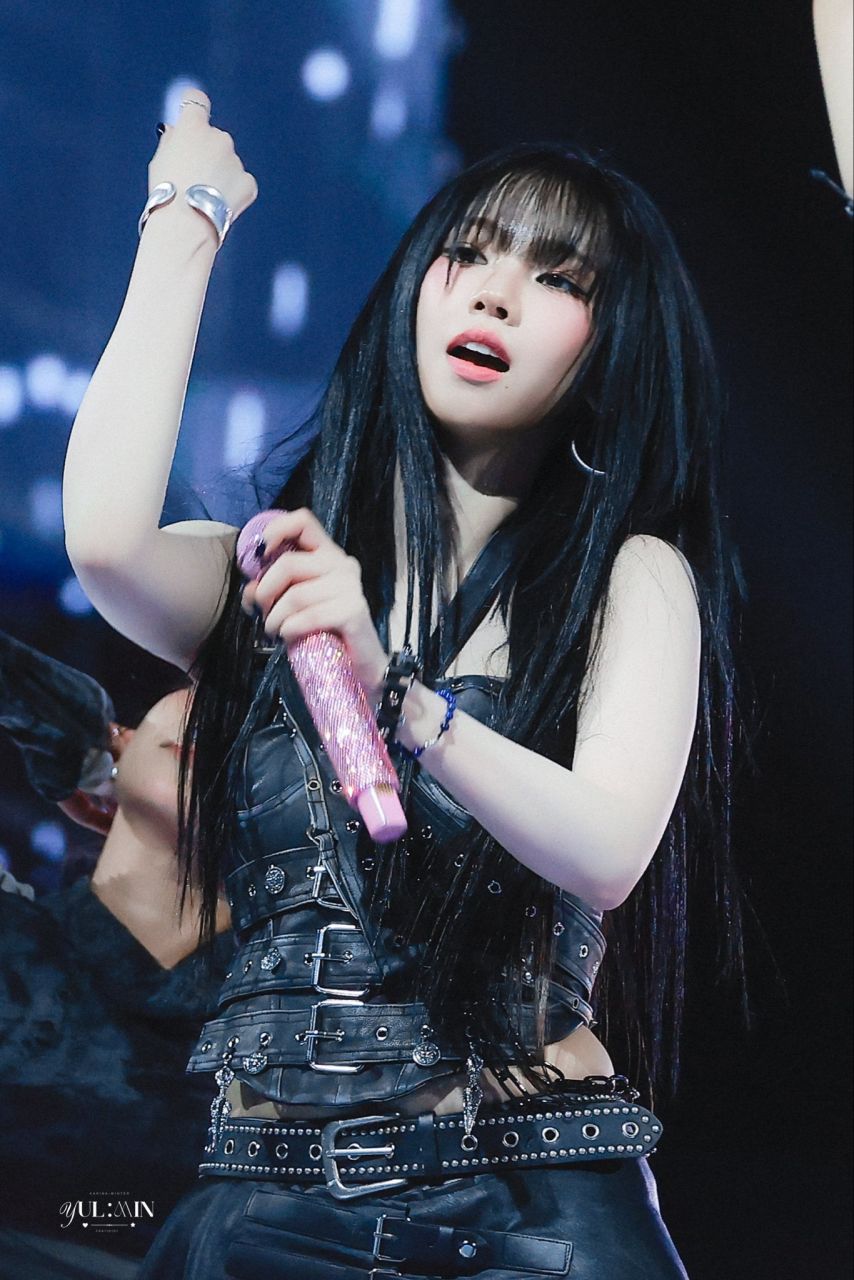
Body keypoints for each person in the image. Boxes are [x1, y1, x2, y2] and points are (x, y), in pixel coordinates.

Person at [63, 91, 744, 1279]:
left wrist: (398, 698)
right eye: (467, 255)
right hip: (267, 1198)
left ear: (612, 343)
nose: (493, 294)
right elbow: (110, 544)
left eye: (556, 278)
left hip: (527, 1204)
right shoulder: (274, 578)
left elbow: (605, 850)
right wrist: (185, 220)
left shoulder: (630, 579)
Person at [0, 636, 232, 1277]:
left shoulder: (288, 1066)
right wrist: (49, 708)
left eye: (268, 727)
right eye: (214, 692)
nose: (218, 719)